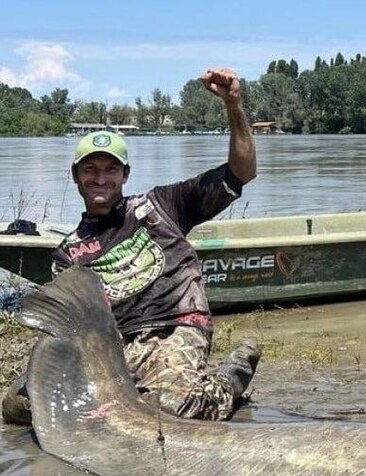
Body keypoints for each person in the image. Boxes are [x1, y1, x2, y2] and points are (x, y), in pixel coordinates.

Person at [2, 67, 260, 424]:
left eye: (110, 170)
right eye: (90, 169)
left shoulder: (162, 205)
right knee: (22, 407)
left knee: (171, 409)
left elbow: (242, 172)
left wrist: (234, 105)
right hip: (114, 346)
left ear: (125, 174)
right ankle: (135, 391)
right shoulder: (68, 253)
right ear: (75, 175)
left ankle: (230, 379)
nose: (100, 178)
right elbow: (73, 325)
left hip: (175, 326)